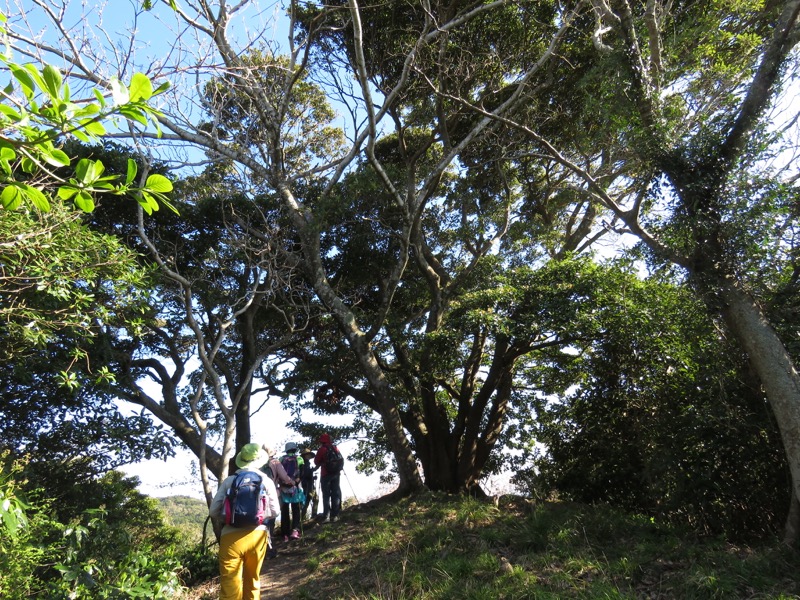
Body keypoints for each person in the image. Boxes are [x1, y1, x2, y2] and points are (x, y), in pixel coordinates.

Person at [209, 443, 279, 600]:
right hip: (257, 537)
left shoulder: (230, 481)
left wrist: (229, 518)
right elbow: (275, 511)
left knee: (229, 585)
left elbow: (213, 511)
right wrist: (258, 517)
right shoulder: (265, 481)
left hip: (230, 537)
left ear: (242, 460)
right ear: (259, 461)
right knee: (253, 580)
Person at [260, 445, 296, 552]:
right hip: (273, 493)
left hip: (258, 495)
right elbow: (284, 476)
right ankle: (269, 549)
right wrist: (293, 482)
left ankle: (261, 548)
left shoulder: (258, 463)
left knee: (260, 520)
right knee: (270, 520)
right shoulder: (275, 462)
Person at [314, 433, 343, 523]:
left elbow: (316, 461)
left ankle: (326, 516)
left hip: (326, 474)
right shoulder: (335, 448)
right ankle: (335, 515)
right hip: (336, 473)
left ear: (322, 441)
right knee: (335, 493)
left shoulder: (322, 449)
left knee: (326, 495)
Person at [279, 442, 304, 540]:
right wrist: (297, 481)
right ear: (295, 449)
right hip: (296, 487)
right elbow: (302, 472)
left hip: (284, 488)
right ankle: (295, 531)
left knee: (284, 511)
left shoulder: (281, 459)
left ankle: (285, 534)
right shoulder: (299, 459)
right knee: (296, 509)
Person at [299, 447, 318, 520]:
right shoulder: (305, 463)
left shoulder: (304, 463)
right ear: (305, 455)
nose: (309, 456)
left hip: (306, 484)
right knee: (310, 499)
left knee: (307, 500)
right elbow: (306, 474)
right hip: (307, 485)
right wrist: (312, 472)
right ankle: (312, 515)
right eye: (308, 455)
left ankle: (302, 518)